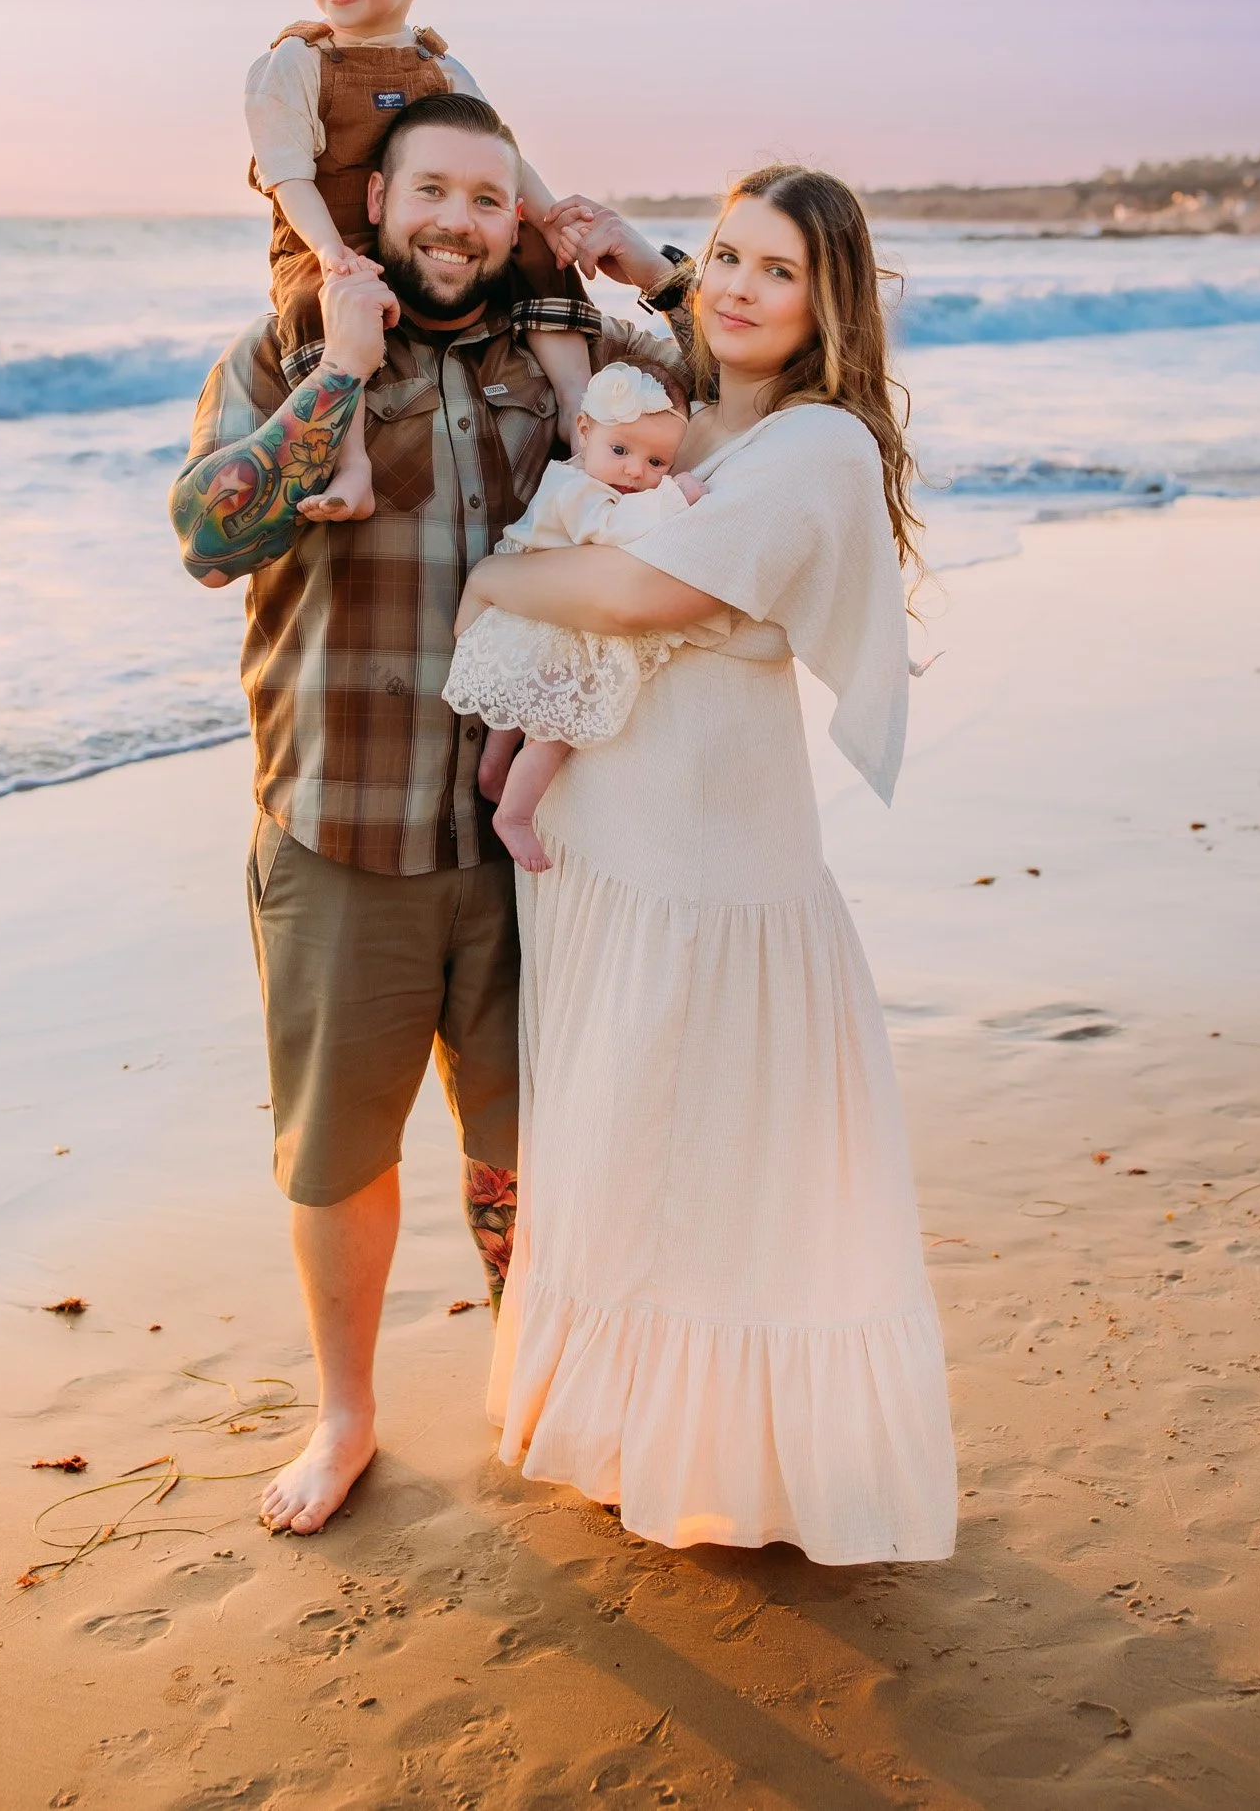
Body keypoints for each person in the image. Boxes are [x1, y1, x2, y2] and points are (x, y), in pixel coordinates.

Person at [168, 93, 690, 1536]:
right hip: (342, 828)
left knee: (535, 1145)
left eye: (486, 195)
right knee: (339, 1152)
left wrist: (654, 268)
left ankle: (549, 1386)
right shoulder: (286, 345)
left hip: (545, 835)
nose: (457, 221)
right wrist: (337, 376)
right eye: (431, 192)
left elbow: (765, 394)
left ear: (514, 212)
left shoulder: (564, 355)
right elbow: (208, 534)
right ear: (375, 202)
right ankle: (345, 1417)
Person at [455, 164, 959, 1564]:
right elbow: (604, 302)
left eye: (777, 270)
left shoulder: (817, 450)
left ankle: (743, 1460)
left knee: (718, 1166)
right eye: (725, 257)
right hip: (601, 852)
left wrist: (490, 577)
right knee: (620, 1149)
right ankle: (631, 1437)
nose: (736, 286)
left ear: (827, 302)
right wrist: (611, 246)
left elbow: (641, 591)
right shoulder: (677, 404)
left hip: (712, 874)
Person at [244, 0, 597, 522]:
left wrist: (548, 215)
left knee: (533, 252)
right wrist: (328, 252)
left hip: (421, 229)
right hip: (329, 228)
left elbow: (501, 151)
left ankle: (576, 406)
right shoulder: (295, 62)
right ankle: (351, 466)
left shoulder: (438, 65)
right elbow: (286, 173)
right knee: (323, 305)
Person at [443, 361, 708, 871]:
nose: (636, 471)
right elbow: (609, 530)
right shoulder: (580, 491)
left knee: (520, 709)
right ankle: (514, 815)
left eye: (658, 462)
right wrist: (676, 496)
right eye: (621, 450)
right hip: (549, 616)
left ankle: (495, 775)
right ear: (584, 431)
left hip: (533, 611)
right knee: (554, 729)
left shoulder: (577, 476)